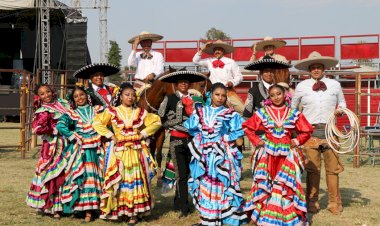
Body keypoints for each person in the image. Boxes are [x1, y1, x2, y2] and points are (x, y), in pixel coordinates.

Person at [243, 84, 313, 225]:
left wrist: (297, 140)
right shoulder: (263, 112)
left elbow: (307, 131)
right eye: (272, 95)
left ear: (285, 94)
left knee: (286, 185)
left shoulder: (294, 113)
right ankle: (266, 216)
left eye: (278, 94)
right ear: (269, 97)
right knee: (267, 184)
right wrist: (257, 141)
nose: (276, 97)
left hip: (287, 155)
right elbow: (248, 127)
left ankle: (287, 218)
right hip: (268, 155)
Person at [92, 83, 161, 224]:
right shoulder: (113, 111)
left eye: (132, 95)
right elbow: (97, 122)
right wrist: (110, 135)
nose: (130, 97)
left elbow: (156, 121)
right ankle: (121, 210)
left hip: (135, 151)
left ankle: (134, 213)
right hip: (119, 152)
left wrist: (143, 133)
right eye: (127, 95)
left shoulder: (140, 112)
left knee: (135, 179)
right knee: (120, 179)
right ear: (121, 96)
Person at [184, 82, 247, 226]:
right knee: (204, 184)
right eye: (217, 94)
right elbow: (192, 128)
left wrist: (226, 139)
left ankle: (223, 216)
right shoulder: (200, 111)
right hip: (204, 155)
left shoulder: (230, 113)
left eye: (223, 96)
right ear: (210, 95)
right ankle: (207, 218)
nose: (220, 98)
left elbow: (238, 135)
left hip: (221, 156)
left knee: (221, 184)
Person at [291, 51, 345, 215]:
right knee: (312, 170)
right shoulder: (301, 87)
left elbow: (342, 102)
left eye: (318, 67)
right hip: (309, 132)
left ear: (323, 68)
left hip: (330, 131)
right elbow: (292, 109)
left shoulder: (335, 85)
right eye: (313, 67)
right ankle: (312, 202)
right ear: (309, 69)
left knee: (332, 169)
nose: (316, 70)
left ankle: (333, 203)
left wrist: (340, 110)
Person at [157, 70, 207, 217]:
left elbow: (202, 118)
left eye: (186, 82)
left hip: (192, 140)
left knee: (190, 173)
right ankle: (184, 207)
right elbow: (161, 117)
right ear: (176, 85)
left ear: (189, 84)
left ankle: (179, 201)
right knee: (181, 174)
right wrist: (177, 122)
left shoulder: (196, 99)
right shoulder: (170, 97)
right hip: (177, 140)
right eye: (181, 82)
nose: (184, 84)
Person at [56, 86, 104, 222]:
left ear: (87, 95)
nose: (79, 98)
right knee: (84, 178)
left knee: (98, 177)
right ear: (73, 100)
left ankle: (97, 208)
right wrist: (72, 135)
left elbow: (110, 121)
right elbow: (60, 125)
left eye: (81, 94)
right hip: (82, 149)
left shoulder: (98, 110)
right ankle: (86, 210)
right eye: (76, 97)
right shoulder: (72, 113)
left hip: (97, 148)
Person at [26, 84, 70, 218]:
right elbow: (37, 129)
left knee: (66, 171)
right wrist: (53, 129)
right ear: (38, 97)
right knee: (52, 173)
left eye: (48, 92)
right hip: (52, 146)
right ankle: (51, 207)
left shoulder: (63, 103)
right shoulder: (43, 110)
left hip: (67, 143)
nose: (46, 95)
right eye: (42, 94)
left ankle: (64, 206)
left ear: (52, 91)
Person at [192, 40, 244, 114]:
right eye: (215, 50)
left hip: (227, 91)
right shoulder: (209, 61)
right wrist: (202, 49)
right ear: (213, 52)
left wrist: (232, 82)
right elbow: (195, 61)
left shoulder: (231, 62)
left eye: (219, 49)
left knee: (243, 110)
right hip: (212, 92)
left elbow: (239, 76)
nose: (217, 51)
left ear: (223, 51)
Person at [127, 31, 164, 97]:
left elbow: (160, 69)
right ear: (140, 44)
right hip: (139, 84)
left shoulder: (158, 55)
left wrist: (153, 74)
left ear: (151, 42)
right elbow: (130, 64)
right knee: (132, 101)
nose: (146, 44)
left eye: (148, 42)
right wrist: (134, 48)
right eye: (143, 42)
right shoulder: (137, 55)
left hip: (153, 84)